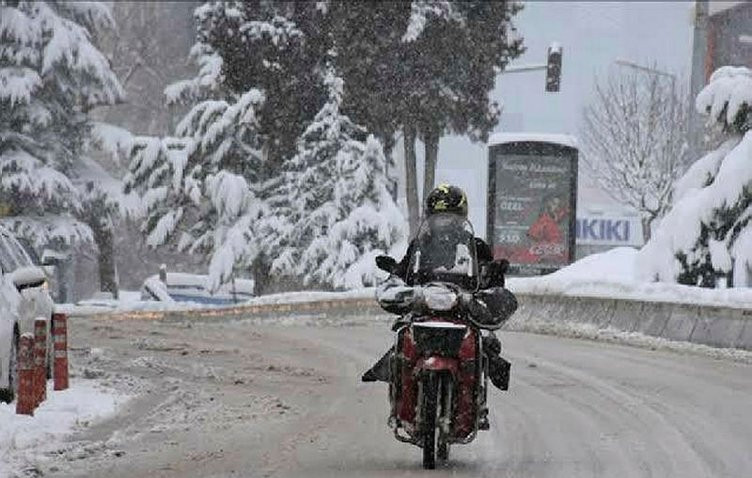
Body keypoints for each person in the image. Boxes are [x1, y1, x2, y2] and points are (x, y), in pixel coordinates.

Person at [362, 184, 517, 395]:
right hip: (424, 307)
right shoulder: (421, 244)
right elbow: (406, 269)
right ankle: (400, 389)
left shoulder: (476, 246)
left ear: (462, 217)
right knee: (402, 335)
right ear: (429, 218)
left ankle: (475, 394)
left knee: (488, 344)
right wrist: (396, 273)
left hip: (461, 309)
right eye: (439, 217)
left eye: (450, 218)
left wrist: (493, 275)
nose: (445, 223)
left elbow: (487, 276)